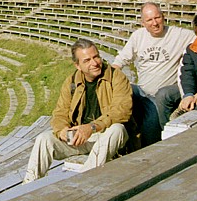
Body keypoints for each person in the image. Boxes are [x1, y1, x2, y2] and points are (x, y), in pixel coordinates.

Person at [112, 2, 197, 146]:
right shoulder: (138, 36)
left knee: (151, 133)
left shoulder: (180, 35)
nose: (154, 23)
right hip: (141, 90)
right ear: (143, 23)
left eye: (157, 18)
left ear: (163, 17)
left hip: (158, 96)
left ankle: (166, 138)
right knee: (116, 94)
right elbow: (121, 60)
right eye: (149, 20)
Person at [23, 38, 132, 183]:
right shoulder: (72, 81)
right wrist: (61, 130)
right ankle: (29, 186)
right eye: (87, 60)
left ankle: (82, 181)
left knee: (117, 129)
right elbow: (60, 113)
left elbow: (122, 111)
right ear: (78, 65)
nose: (94, 63)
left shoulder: (116, 77)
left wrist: (92, 127)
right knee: (44, 139)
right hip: (79, 138)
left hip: (105, 135)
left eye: (96, 57)